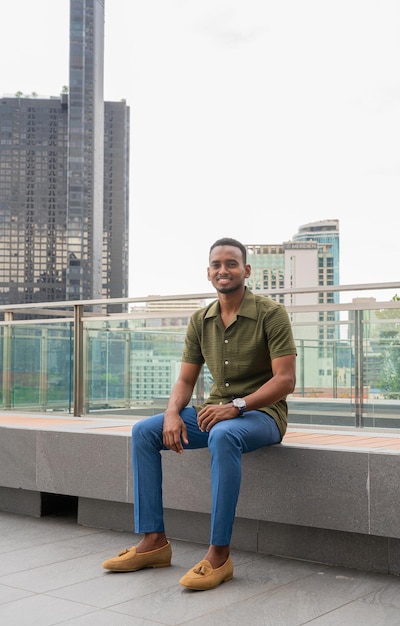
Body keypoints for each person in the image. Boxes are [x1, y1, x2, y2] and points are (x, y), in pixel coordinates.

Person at [103, 237, 297, 590]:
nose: (224, 270)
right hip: (215, 413)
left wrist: (236, 407)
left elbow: (285, 380)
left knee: (224, 434)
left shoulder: (271, 313)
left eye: (232, 263)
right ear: (208, 273)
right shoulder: (200, 320)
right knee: (145, 431)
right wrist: (171, 413)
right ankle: (153, 542)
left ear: (246, 270)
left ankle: (219, 554)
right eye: (217, 265)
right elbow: (186, 378)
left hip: (262, 415)